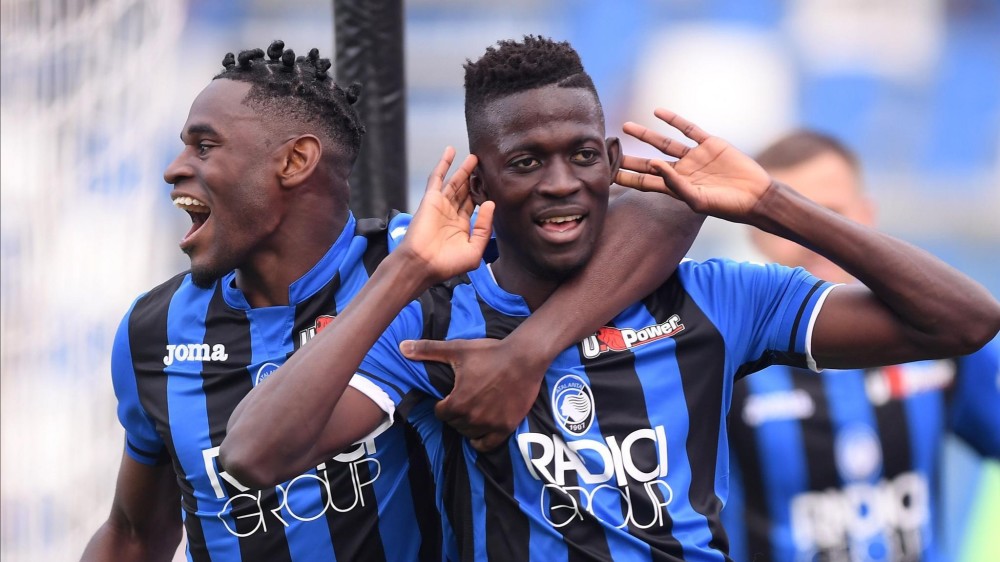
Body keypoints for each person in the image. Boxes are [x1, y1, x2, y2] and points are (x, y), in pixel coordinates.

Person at [219, 36, 1000, 561]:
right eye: (527, 161)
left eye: (582, 155)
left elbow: (967, 320)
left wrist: (773, 203)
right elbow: (254, 456)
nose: (561, 183)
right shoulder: (437, 324)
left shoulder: (715, 298)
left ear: (613, 161)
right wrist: (405, 269)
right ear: (480, 181)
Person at [80, 39, 704, 561]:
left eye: (204, 146)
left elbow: (667, 208)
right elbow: (135, 533)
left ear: (295, 161)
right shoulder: (154, 331)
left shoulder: (433, 259)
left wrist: (527, 350)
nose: (174, 168)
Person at [721, 130, 1000, 562]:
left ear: (866, 218)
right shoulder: (721, 358)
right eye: (785, 222)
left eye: (827, 216)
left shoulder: (939, 340)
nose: (811, 240)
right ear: (756, 236)